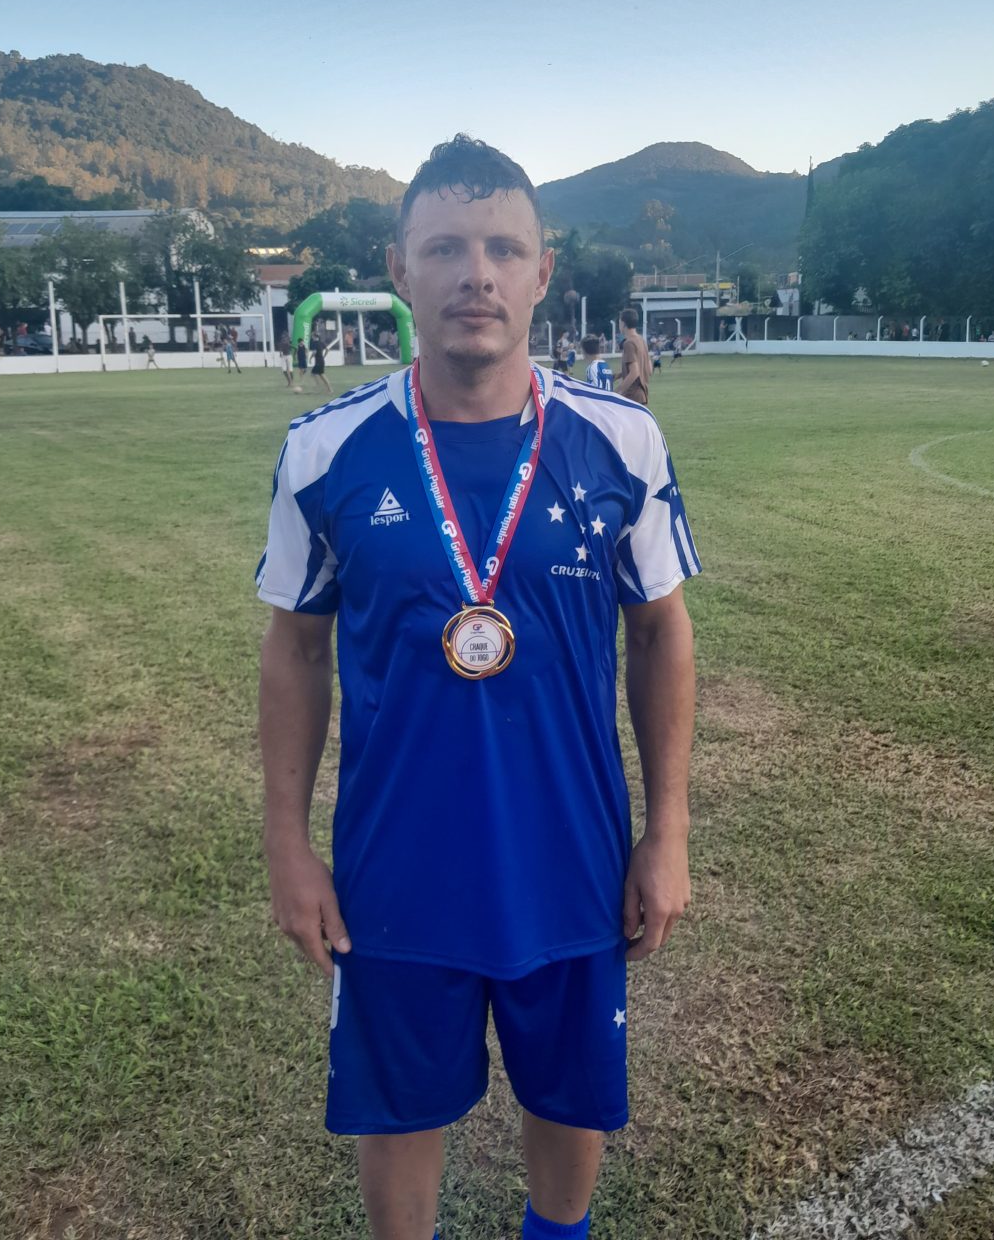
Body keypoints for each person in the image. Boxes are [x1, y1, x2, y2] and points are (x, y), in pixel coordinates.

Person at [256, 135, 699, 1240]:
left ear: (543, 273)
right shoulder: (325, 451)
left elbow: (660, 632)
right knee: (401, 1106)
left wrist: (669, 830)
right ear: (399, 270)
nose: (477, 275)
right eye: (446, 248)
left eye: (504, 249)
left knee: (568, 1091)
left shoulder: (620, 440)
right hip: (394, 859)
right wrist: (287, 844)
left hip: (573, 849)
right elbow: (294, 651)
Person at [615, 307, 652, 404]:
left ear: (623, 323)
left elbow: (635, 372)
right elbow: (649, 369)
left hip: (632, 397)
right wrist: (620, 374)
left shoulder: (628, 343)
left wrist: (617, 392)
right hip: (642, 396)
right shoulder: (641, 340)